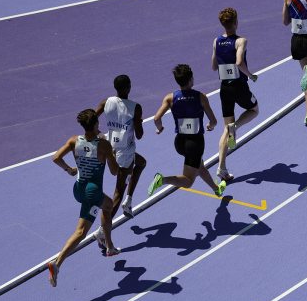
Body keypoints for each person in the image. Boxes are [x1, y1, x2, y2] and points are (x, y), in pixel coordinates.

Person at [48, 109, 121, 287]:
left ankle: (110, 246)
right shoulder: (103, 145)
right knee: (81, 232)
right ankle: (57, 264)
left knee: (108, 205)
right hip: (92, 192)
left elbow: (56, 157)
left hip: (79, 189)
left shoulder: (74, 140)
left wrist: (70, 170)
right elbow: (114, 171)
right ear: (96, 124)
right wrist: (113, 154)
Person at [147, 64, 226, 198]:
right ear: (191, 80)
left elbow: (156, 118)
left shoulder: (170, 98)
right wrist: (210, 127)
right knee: (188, 181)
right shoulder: (201, 97)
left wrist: (159, 128)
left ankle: (216, 189)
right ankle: (162, 180)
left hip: (180, 143)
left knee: (199, 165)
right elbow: (214, 121)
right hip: (195, 144)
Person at [211, 8, 259, 182]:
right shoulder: (241, 41)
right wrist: (250, 74)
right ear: (236, 22)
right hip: (239, 87)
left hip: (224, 88)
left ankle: (221, 168)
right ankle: (236, 126)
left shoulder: (216, 41)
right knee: (254, 110)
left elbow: (213, 66)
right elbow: (239, 62)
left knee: (225, 129)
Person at [94, 74, 146, 221]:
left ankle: (128, 201)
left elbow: (90, 119)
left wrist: (100, 134)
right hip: (125, 153)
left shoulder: (106, 102)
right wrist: (138, 122)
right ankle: (103, 232)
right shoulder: (135, 108)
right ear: (129, 87)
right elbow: (140, 135)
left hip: (110, 148)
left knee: (141, 162)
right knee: (118, 192)